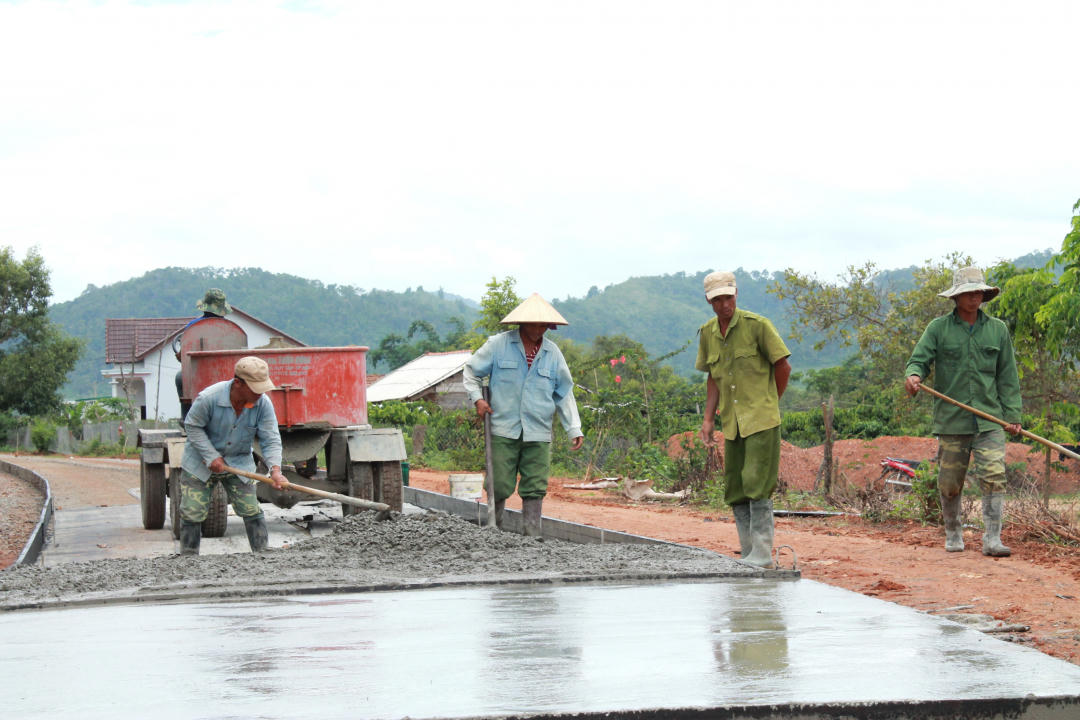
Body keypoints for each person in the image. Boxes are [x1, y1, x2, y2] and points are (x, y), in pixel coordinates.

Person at [904, 266, 1022, 557]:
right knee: (950, 481)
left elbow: (1007, 376)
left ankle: (992, 539)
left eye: (978, 292)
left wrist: (1013, 415)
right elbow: (919, 360)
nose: (974, 298)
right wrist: (914, 377)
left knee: (994, 474)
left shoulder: (997, 330)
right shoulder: (938, 329)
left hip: (989, 419)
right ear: (956, 297)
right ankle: (953, 532)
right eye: (968, 293)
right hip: (952, 420)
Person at [463, 293, 585, 536]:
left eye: (544, 325)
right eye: (535, 324)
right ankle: (493, 530)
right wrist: (477, 399)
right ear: (522, 323)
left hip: (538, 430)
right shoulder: (498, 345)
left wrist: (573, 427)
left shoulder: (553, 353)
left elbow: (564, 392)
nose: (539, 330)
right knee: (498, 482)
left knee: (535, 485)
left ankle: (532, 534)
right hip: (503, 427)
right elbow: (471, 371)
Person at [695, 271, 791, 568]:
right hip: (733, 421)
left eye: (729, 297)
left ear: (737, 293)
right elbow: (713, 378)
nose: (725, 305)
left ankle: (762, 553)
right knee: (735, 485)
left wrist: (768, 401)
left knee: (756, 482)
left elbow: (783, 366)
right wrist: (708, 419)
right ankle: (748, 550)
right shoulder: (708, 333)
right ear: (709, 301)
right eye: (718, 299)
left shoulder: (757, 326)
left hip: (761, 418)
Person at [178, 356, 287, 555]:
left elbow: (270, 439)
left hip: (238, 461)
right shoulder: (209, 398)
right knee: (192, 511)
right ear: (238, 383)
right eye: (255, 388)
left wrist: (275, 470)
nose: (260, 393)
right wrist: (211, 455)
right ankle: (189, 558)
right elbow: (192, 427)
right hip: (200, 461)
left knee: (251, 509)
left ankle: (262, 554)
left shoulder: (263, 404)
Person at [174, 289, 234, 422]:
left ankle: (187, 418)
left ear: (205, 308)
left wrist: (181, 356)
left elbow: (185, 351)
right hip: (227, 372)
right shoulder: (231, 328)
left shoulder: (193, 326)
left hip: (199, 373)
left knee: (180, 378)